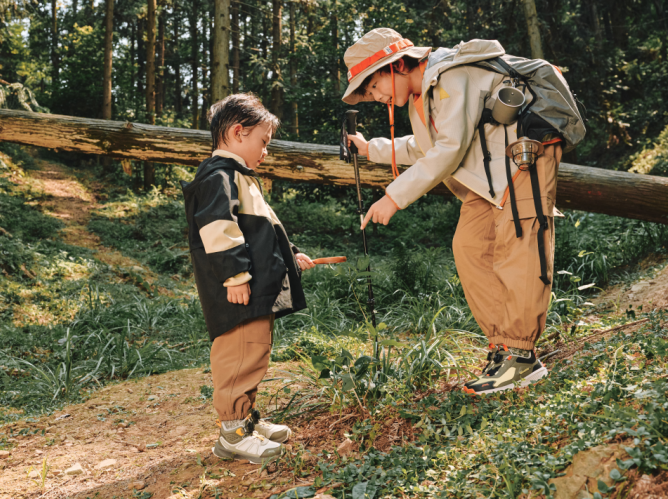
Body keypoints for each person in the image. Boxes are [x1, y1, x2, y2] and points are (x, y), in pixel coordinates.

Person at [343, 28, 568, 395]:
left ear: (398, 64)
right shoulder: (424, 95)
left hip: (522, 158)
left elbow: (449, 148)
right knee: (469, 247)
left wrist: (393, 197)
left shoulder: (449, 73)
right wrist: (371, 148)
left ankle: (522, 356)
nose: (374, 96)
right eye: (368, 93)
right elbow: (427, 145)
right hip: (487, 176)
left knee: (519, 249)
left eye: (373, 85)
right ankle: (503, 346)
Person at [181, 93, 315, 463]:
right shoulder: (218, 176)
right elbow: (218, 227)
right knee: (239, 355)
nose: (266, 151)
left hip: (255, 290)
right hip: (239, 291)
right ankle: (233, 434)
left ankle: (247, 420)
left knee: (254, 353)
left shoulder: (239, 177)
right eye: (264, 142)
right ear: (239, 132)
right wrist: (235, 276)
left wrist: (291, 254)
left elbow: (263, 229)